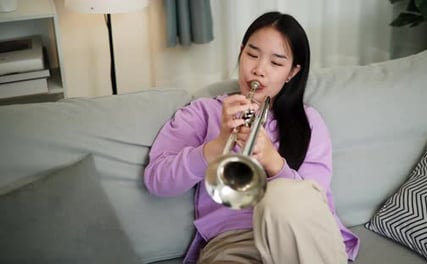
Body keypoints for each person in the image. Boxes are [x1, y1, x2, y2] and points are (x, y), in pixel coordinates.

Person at [144, 11, 360, 264]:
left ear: (292, 72)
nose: (258, 70)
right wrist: (214, 148)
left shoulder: (310, 122)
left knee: (284, 197)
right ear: (240, 51)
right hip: (233, 242)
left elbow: (314, 201)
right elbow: (157, 182)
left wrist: (273, 162)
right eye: (252, 54)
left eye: (276, 63)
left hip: (301, 236)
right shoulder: (202, 113)